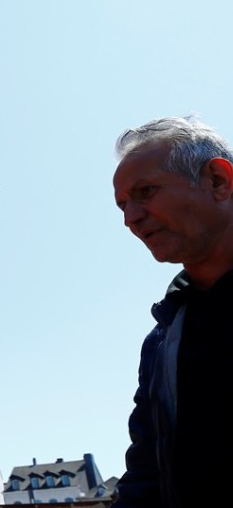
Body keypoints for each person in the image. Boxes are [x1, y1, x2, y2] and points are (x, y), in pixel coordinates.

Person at [112, 117, 233, 507]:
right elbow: (146, 474)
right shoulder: (163, 340)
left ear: (218, 180)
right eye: (123, 205)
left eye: (144, 192)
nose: (130, 217)